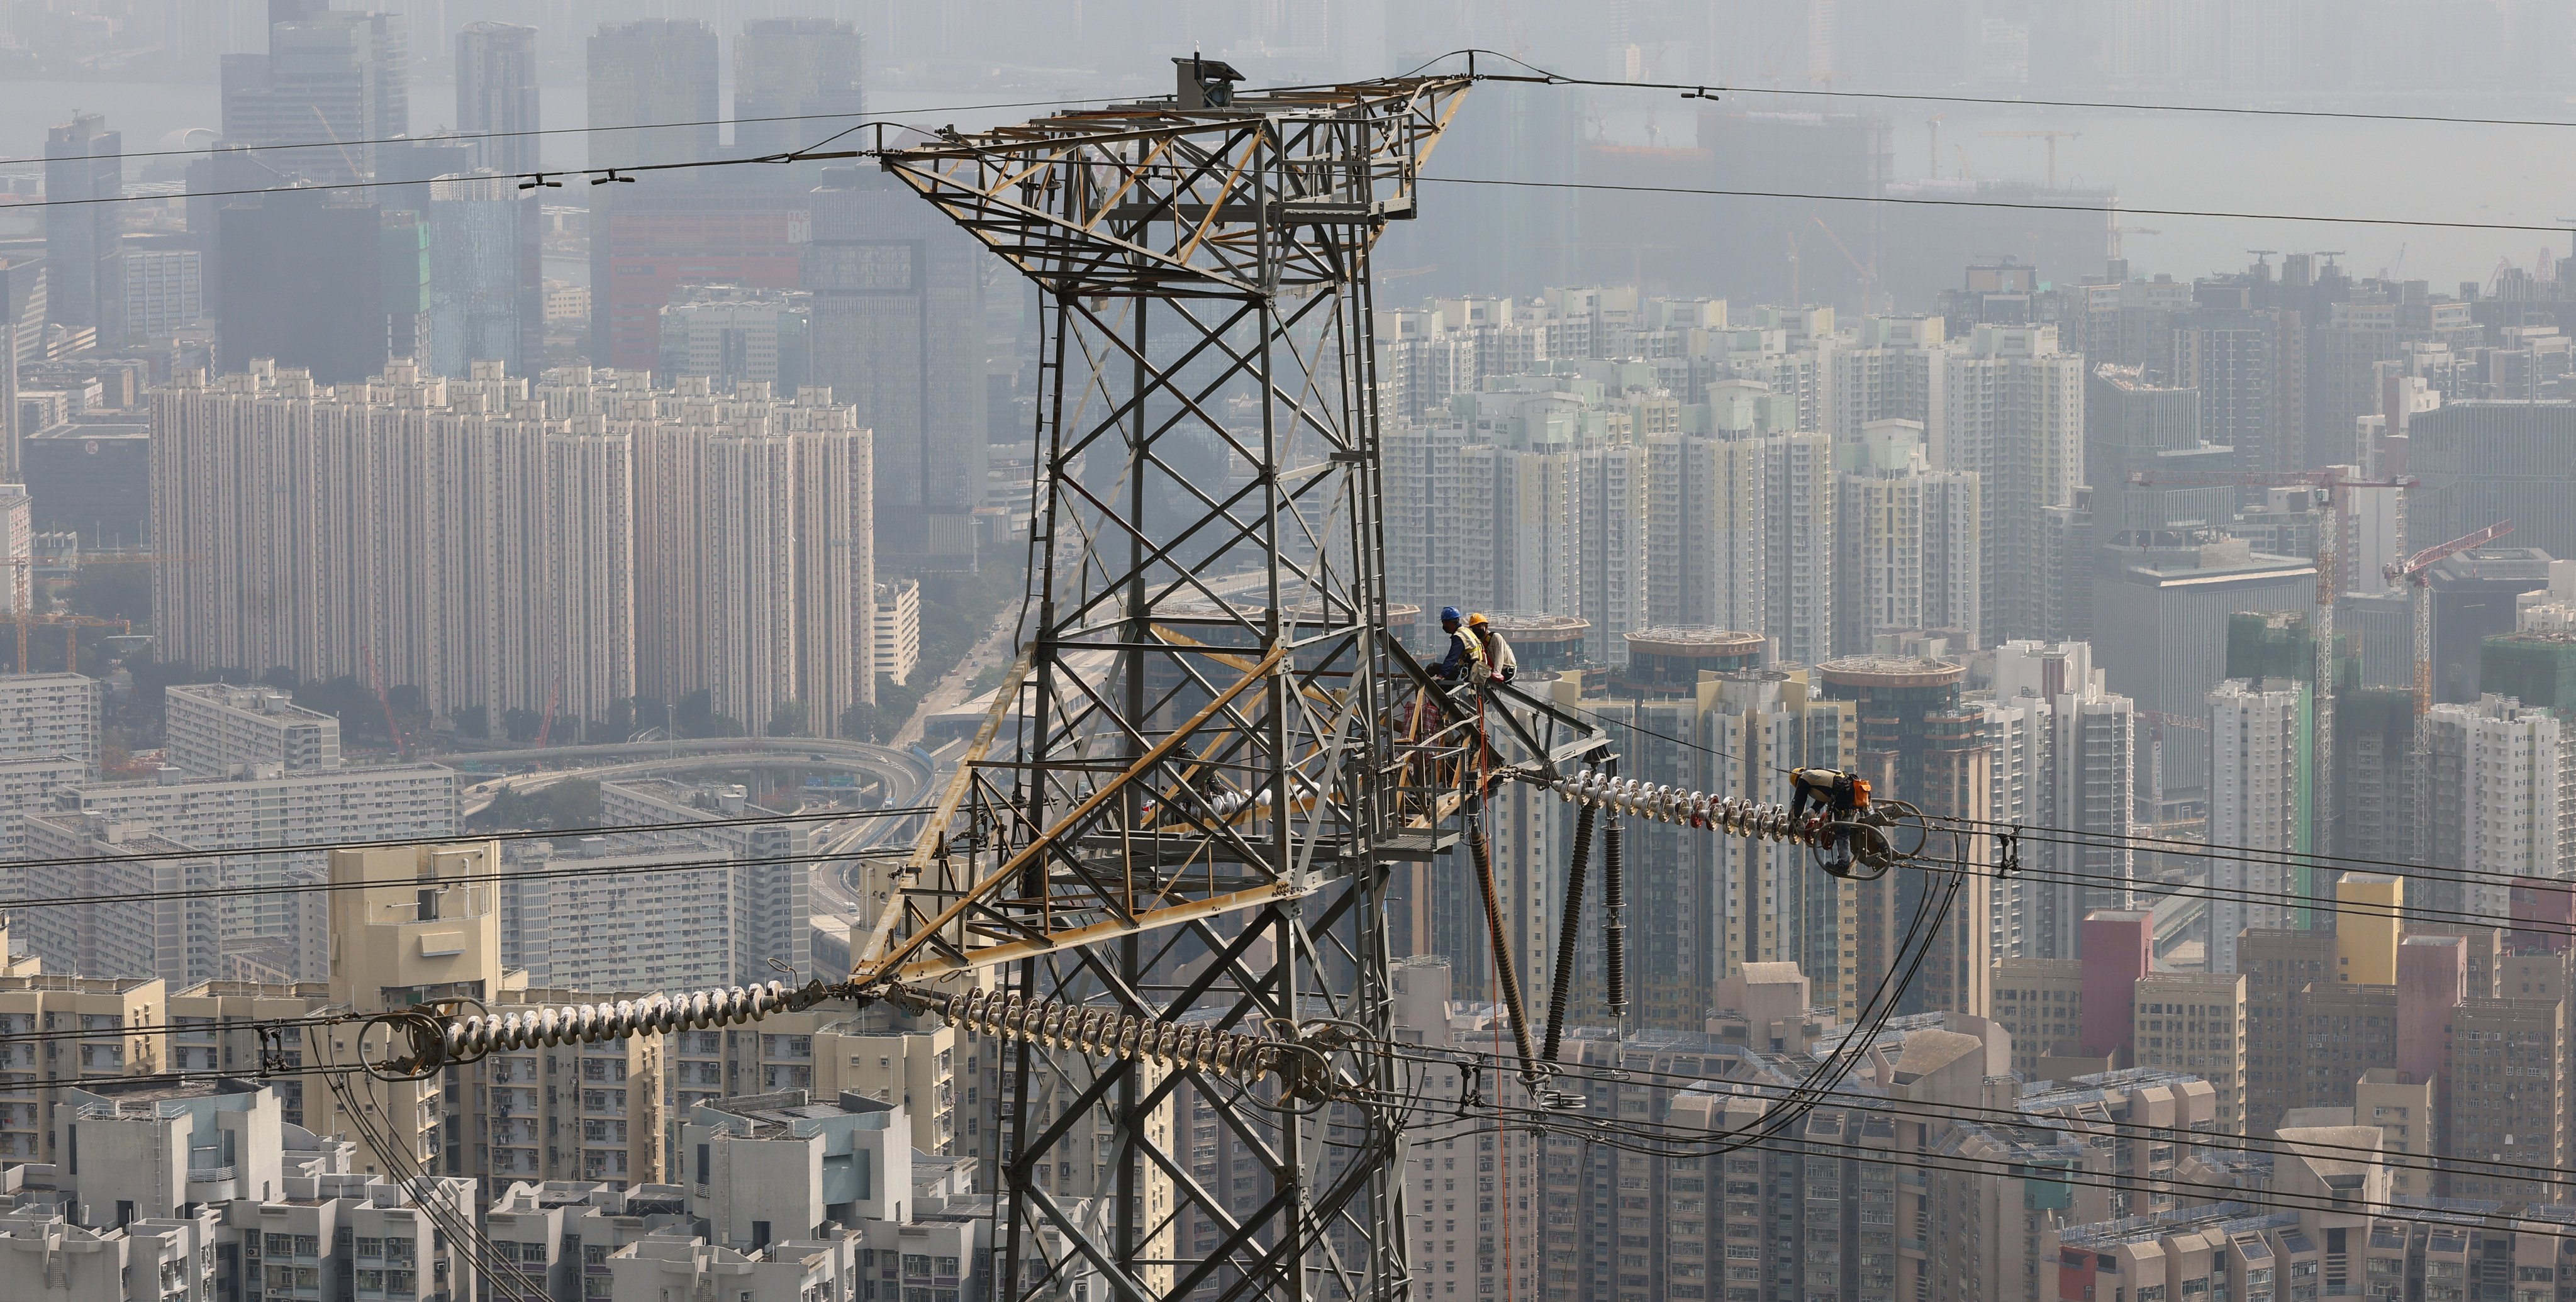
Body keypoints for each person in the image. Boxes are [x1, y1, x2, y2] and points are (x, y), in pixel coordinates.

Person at [1429, 606, 1485, 684]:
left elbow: (1452, 657)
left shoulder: (1459, 636)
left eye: (1444, 623)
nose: (1444, 626)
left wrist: (1441, 675)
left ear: (1449, 622)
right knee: (1444, 688)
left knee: (1432, 667)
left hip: (1467, 672)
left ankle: (1422, 690)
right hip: (1475, 670)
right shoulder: (1465, 631)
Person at [1468, 613, 1516, 684]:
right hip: (1492, 671)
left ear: (1486, 626)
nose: (1476, 629)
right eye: (1474, 628)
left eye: (1479, 626)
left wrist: (1497, 673)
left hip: (1507, 671)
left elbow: (1500, 655)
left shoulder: (1496, 637)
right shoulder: (1479, 642)